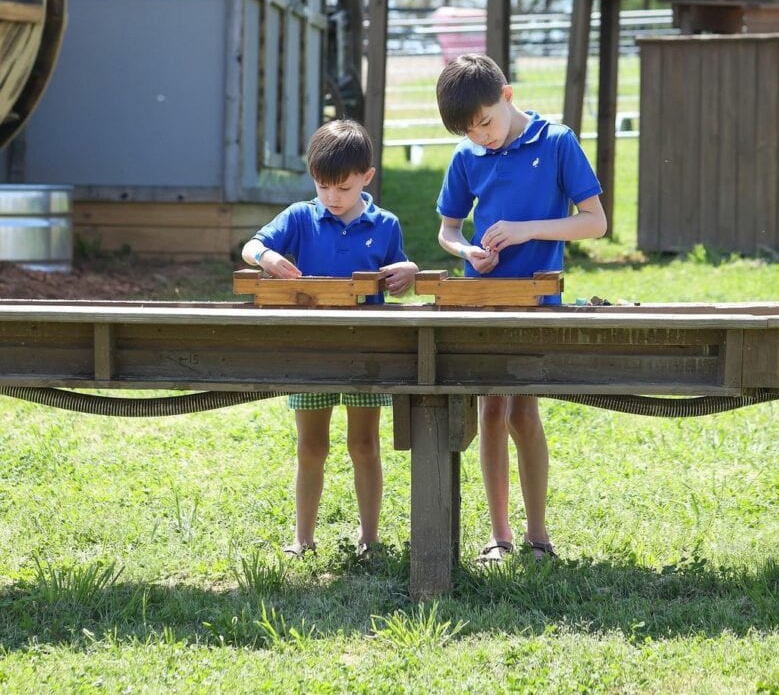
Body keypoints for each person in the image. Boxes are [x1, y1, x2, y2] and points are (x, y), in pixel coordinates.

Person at [434, 54, 607, 564]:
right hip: (482, 299)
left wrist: (527, 229)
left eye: (485, 122)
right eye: (469, 131)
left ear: (506, 96)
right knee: (490, 409)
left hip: (535, 299)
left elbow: (594, 221)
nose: (481, 136)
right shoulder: (467, 156)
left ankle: (538, 538)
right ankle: (499, 537)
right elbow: (448, 230)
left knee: (523, 411)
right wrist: (468, 251)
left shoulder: (556, 141)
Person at [242, 119, 418, 557]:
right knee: (311, 447)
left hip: (367, 353)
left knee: (364, 444)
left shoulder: (387, 224)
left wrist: (408, 273)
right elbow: (251, 247)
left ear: (367, 177)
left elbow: (399, 272)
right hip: (311, 350)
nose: (332, 198)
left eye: (342, 188)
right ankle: (302, 539)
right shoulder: (301, 216)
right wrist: (267, 257)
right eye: (323, 187)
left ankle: (370, 538)